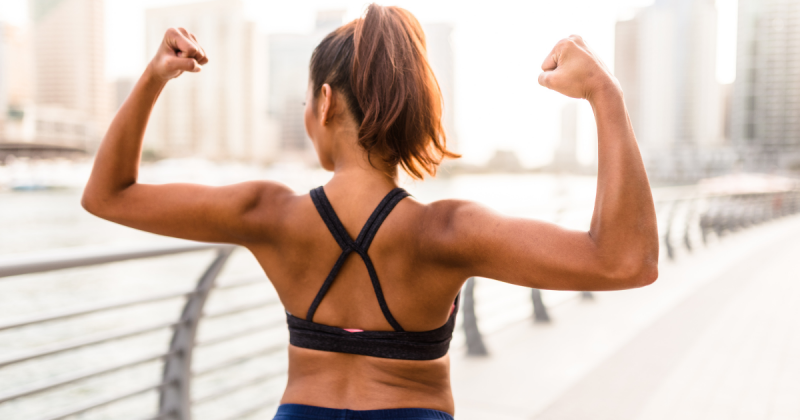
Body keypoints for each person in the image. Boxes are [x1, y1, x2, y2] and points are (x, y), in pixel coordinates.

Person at [82, 3, 659, 420]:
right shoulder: (448, 231)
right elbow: (626, 262)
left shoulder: (268, 213)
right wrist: (605, 96)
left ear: (325, 102)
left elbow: (107, 195)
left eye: (307, 100)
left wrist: (156, 75)